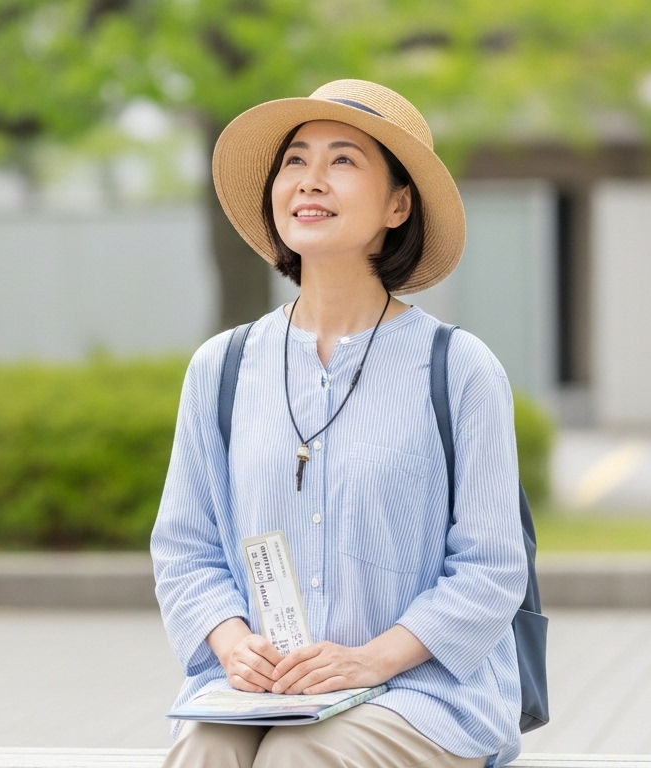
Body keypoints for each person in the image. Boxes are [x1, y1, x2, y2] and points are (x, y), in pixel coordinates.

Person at [152, 79, 529, 767]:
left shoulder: (459, 368)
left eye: (344, 161)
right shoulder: (223, 367)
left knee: (301, 758)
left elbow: (490, 570)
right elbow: (185, 550)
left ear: (398, 204)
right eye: (295, 160)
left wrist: (366, 662)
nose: (310, 181)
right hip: (264, 691)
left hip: (422, 693)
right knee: (203, 748)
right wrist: (234, 644)